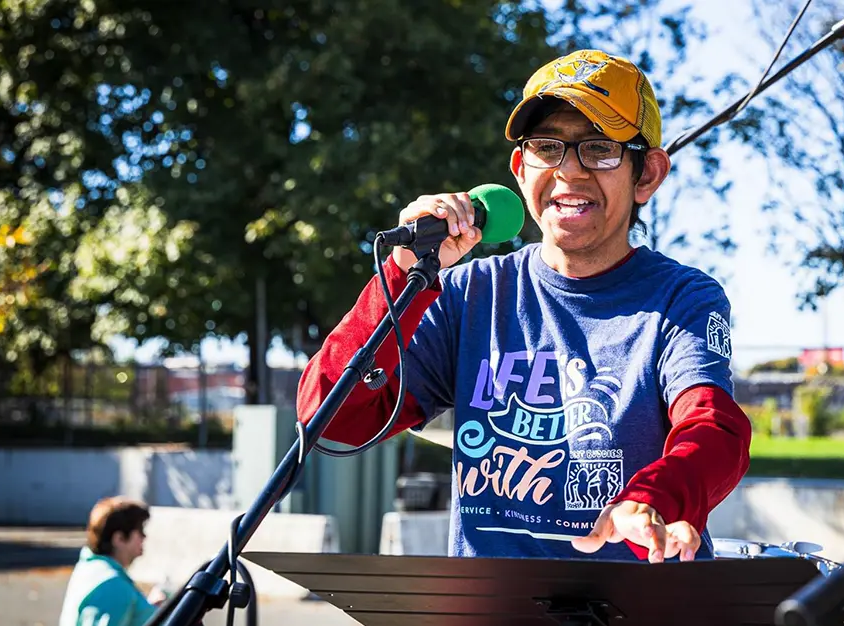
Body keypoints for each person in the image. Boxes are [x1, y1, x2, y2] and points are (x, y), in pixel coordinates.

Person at [297, 49, 751, 564]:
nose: (569, 173)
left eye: (599, 149)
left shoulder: (683, 298)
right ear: (519, 166)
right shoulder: (466, 294)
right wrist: (403, 275)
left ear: (646, 173)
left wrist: (653, 498)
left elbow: (716, 430)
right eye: (546, 147)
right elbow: (330, 420)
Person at [59, 497, 165, 626]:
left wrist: (147, 610)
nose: (145, 537)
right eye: (140, 531)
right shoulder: (112, 584)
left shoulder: (92, 569)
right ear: (119, 538)